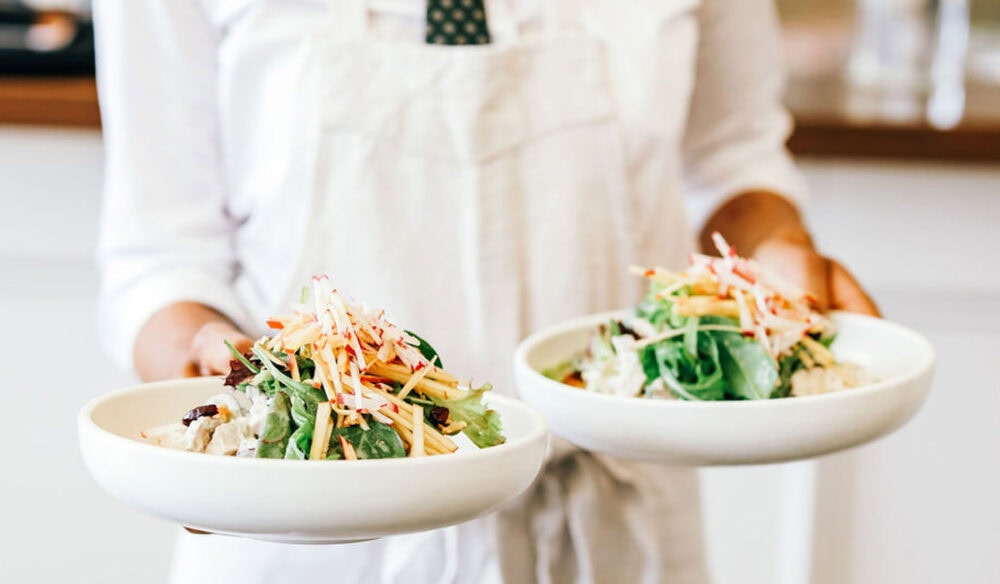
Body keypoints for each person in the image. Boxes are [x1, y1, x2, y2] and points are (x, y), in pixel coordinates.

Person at [94, 0, 878, 582]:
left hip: (610, 528)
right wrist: (210, 373)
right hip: (310, 534)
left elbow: (732, 159)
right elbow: (162, 254)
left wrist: (773, 254)